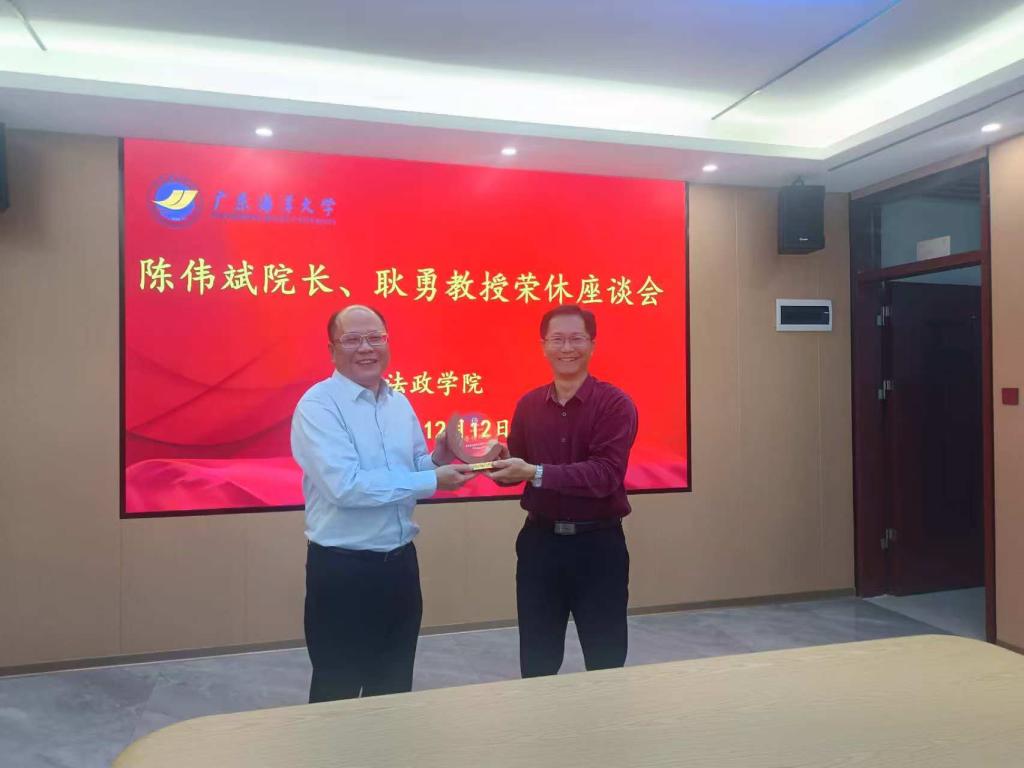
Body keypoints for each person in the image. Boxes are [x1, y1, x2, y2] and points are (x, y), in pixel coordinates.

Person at [291, 304, 477, 702]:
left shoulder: (398, 403)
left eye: (375, 337)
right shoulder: (318, 406)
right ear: (332, 349)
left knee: (393, 690)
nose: (366, 348)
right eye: (353, 339)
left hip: (399, 568)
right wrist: (431, 479)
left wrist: (439, 459)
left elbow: (411, 470)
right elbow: (345, 487)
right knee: (337, 694)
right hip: (343, 571)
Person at [489, 304, 638, 677]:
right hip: (540, 545)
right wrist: (500, 463)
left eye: (576, 339)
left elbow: (605, 474)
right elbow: (519, 466)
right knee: (537, 660)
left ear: (592, 344)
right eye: (557, 339)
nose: (566, 348)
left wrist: (535, 472)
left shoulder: (615, 404)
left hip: (598, 548)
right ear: (543, 346)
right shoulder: (528, 405)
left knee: (606, 660)